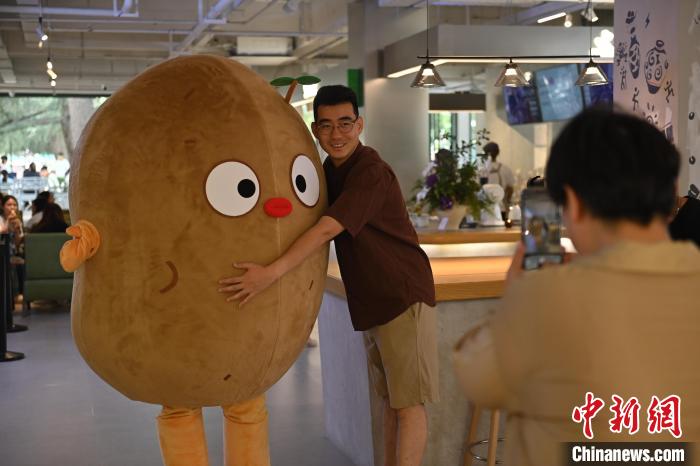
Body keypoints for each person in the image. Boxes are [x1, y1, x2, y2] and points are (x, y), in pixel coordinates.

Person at [453, 108, 700, 465]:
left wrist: (516, 296)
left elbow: (477, 377)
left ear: (574, 203)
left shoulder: (547, 297)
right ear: (671, 192)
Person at [219, 85, 439, 466]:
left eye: (345, 123)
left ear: (359, 125)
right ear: (315, 129)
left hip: (402, 297)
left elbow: (325, 230)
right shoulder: (329, 172)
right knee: (391, 402)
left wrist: (271, 273)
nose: (336, 134)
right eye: (326, 125)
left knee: (409, 405)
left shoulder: (370, 171)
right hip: (373, 302)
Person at [482, 141, 515, 215]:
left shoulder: (481, 170)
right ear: (498, 153)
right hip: (501, 209)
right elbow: (510, 189)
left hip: (485, 209)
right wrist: (507, 201)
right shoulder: (506, 169)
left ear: (485, 154)